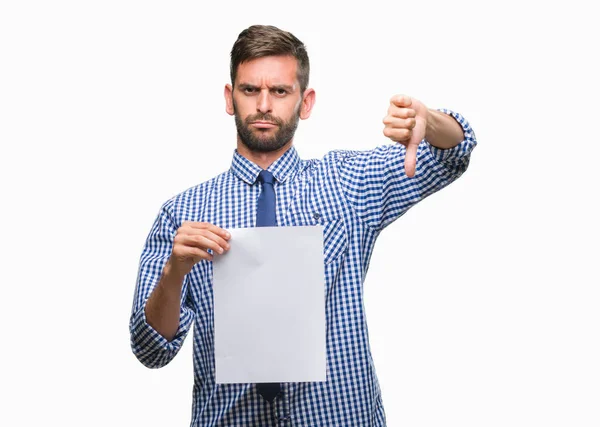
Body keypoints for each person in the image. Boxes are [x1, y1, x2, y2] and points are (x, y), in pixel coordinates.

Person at [130, 24, 477, 426]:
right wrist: (174, 272)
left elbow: (453, 155)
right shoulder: (183, 212)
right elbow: (150, 351)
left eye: (279, 91)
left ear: (305, 102)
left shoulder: (349, 183)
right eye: (249, 90)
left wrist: (430, 122)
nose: (263, 105)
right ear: (230, 98)